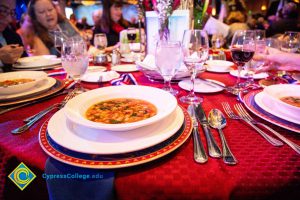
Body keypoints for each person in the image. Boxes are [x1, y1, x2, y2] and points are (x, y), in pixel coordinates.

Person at [0, 0, 26, 72]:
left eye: (12, 13)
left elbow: (26, 68)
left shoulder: (13, 36)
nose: (9, 19)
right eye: (3, 11)